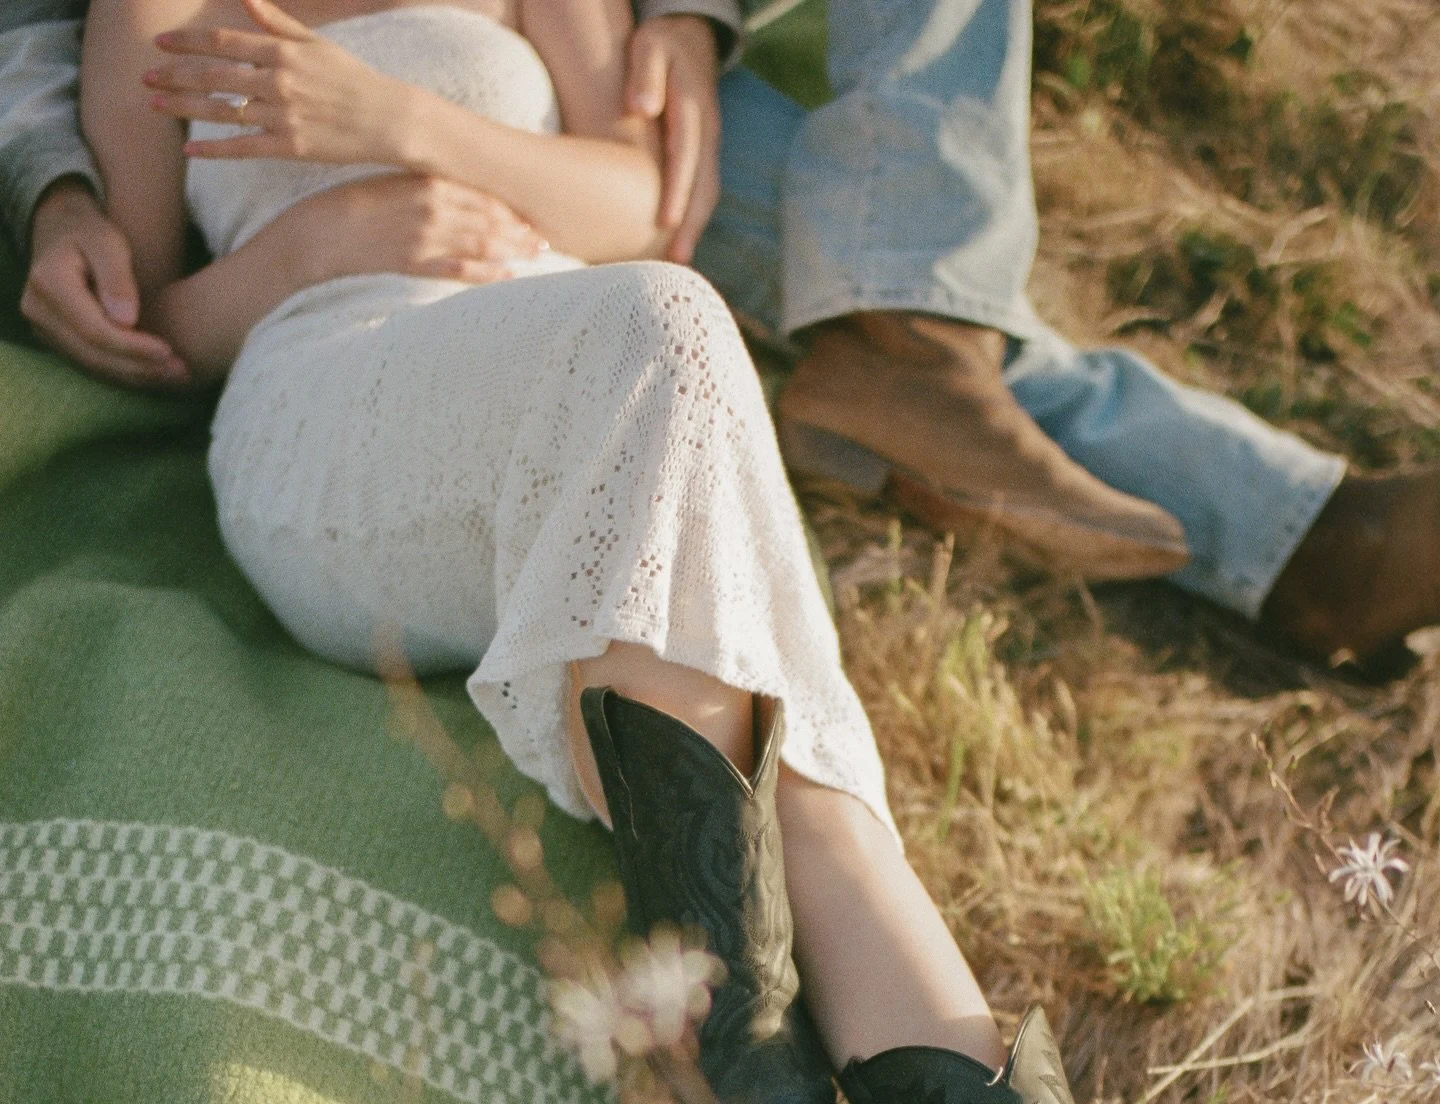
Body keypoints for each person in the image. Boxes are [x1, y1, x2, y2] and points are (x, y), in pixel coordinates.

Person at [63, 0, 1352, 1104]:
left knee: (799, 762)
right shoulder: (157, 11)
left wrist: (408, 128)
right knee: (674, 355)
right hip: (343, 405)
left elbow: (643, 201)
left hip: (613, 388)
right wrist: (332, 231)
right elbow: (135, 321)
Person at [9, 0, 1440, 673]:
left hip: (594, 187)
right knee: (866, 255)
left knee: (838, 259)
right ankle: (926, 354)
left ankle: (913, 344)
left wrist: (689, 14)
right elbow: (142, 294)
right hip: (380, 345)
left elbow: (629, 204)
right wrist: (95, 197)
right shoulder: (167, 16)